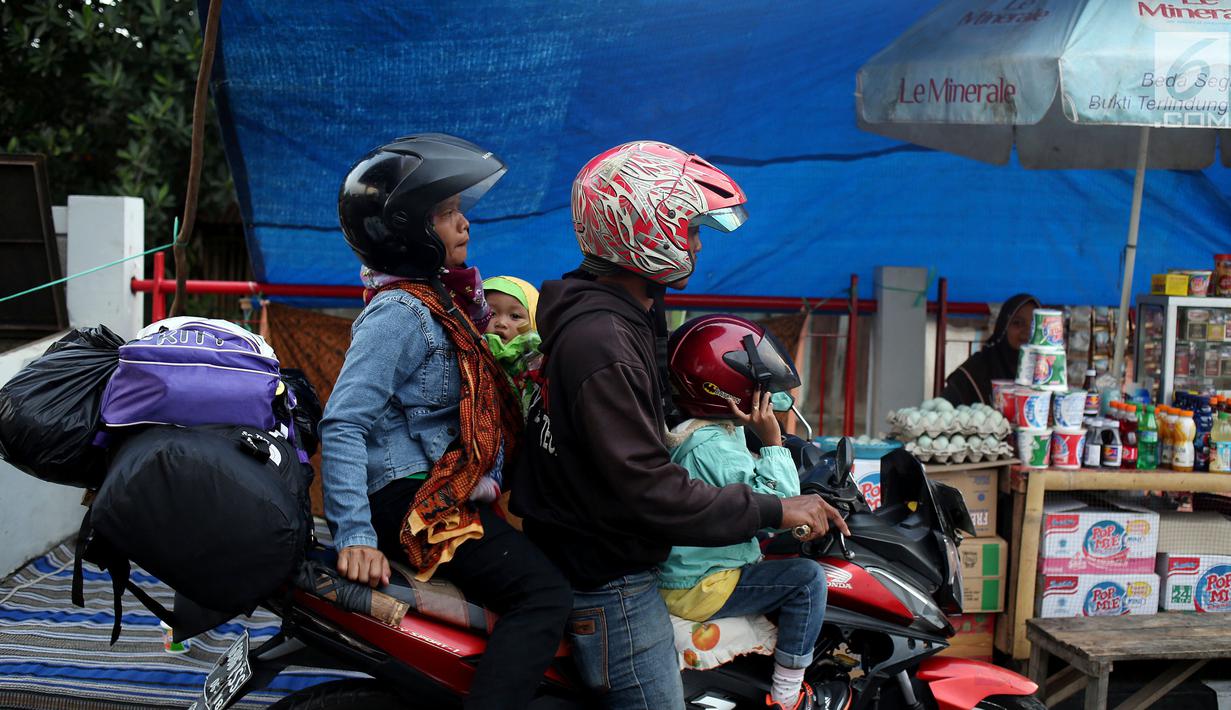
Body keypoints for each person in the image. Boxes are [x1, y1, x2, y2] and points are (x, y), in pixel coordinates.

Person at [511, 141, 848, 710]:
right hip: (611, 575)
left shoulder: (628, 313)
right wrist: (777, 509)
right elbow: (648, 487)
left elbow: (660, 412)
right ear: (645, 230)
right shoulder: (603, 342)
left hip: (593, 544)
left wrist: (770, 443)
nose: (695, 244)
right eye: (690, 228)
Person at [322, 133, 572, 710]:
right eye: (448, 214)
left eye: (460, 211)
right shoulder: (400, 312)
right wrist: (355, 534)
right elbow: (343, 424)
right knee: (544, 597)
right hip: (415, 499)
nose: (464, 225)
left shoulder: (444, 303)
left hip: (444, 490)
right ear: (409, 229)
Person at [660, 314, 848, 710]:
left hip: (695, 573)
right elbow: (781, 503)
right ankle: (787, 695)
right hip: (703, 584)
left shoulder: (705, 432)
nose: (763, 393)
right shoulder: (715, 449)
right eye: (756, 385)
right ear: (724, 385)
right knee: (807, 580)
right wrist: (774, 440)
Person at [940, 293, 1040, 406]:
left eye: (1034, 325)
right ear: (1003, 327)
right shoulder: (975, 371)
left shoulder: (1046, 373)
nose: (1027, 332)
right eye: (1017, 323)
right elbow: (942, 411)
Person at [481, 275, 543, 416]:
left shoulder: (540, 361)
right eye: (491, 314)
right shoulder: (468, 355)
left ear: (534, 320)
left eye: (515, 316)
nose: (501, 323)